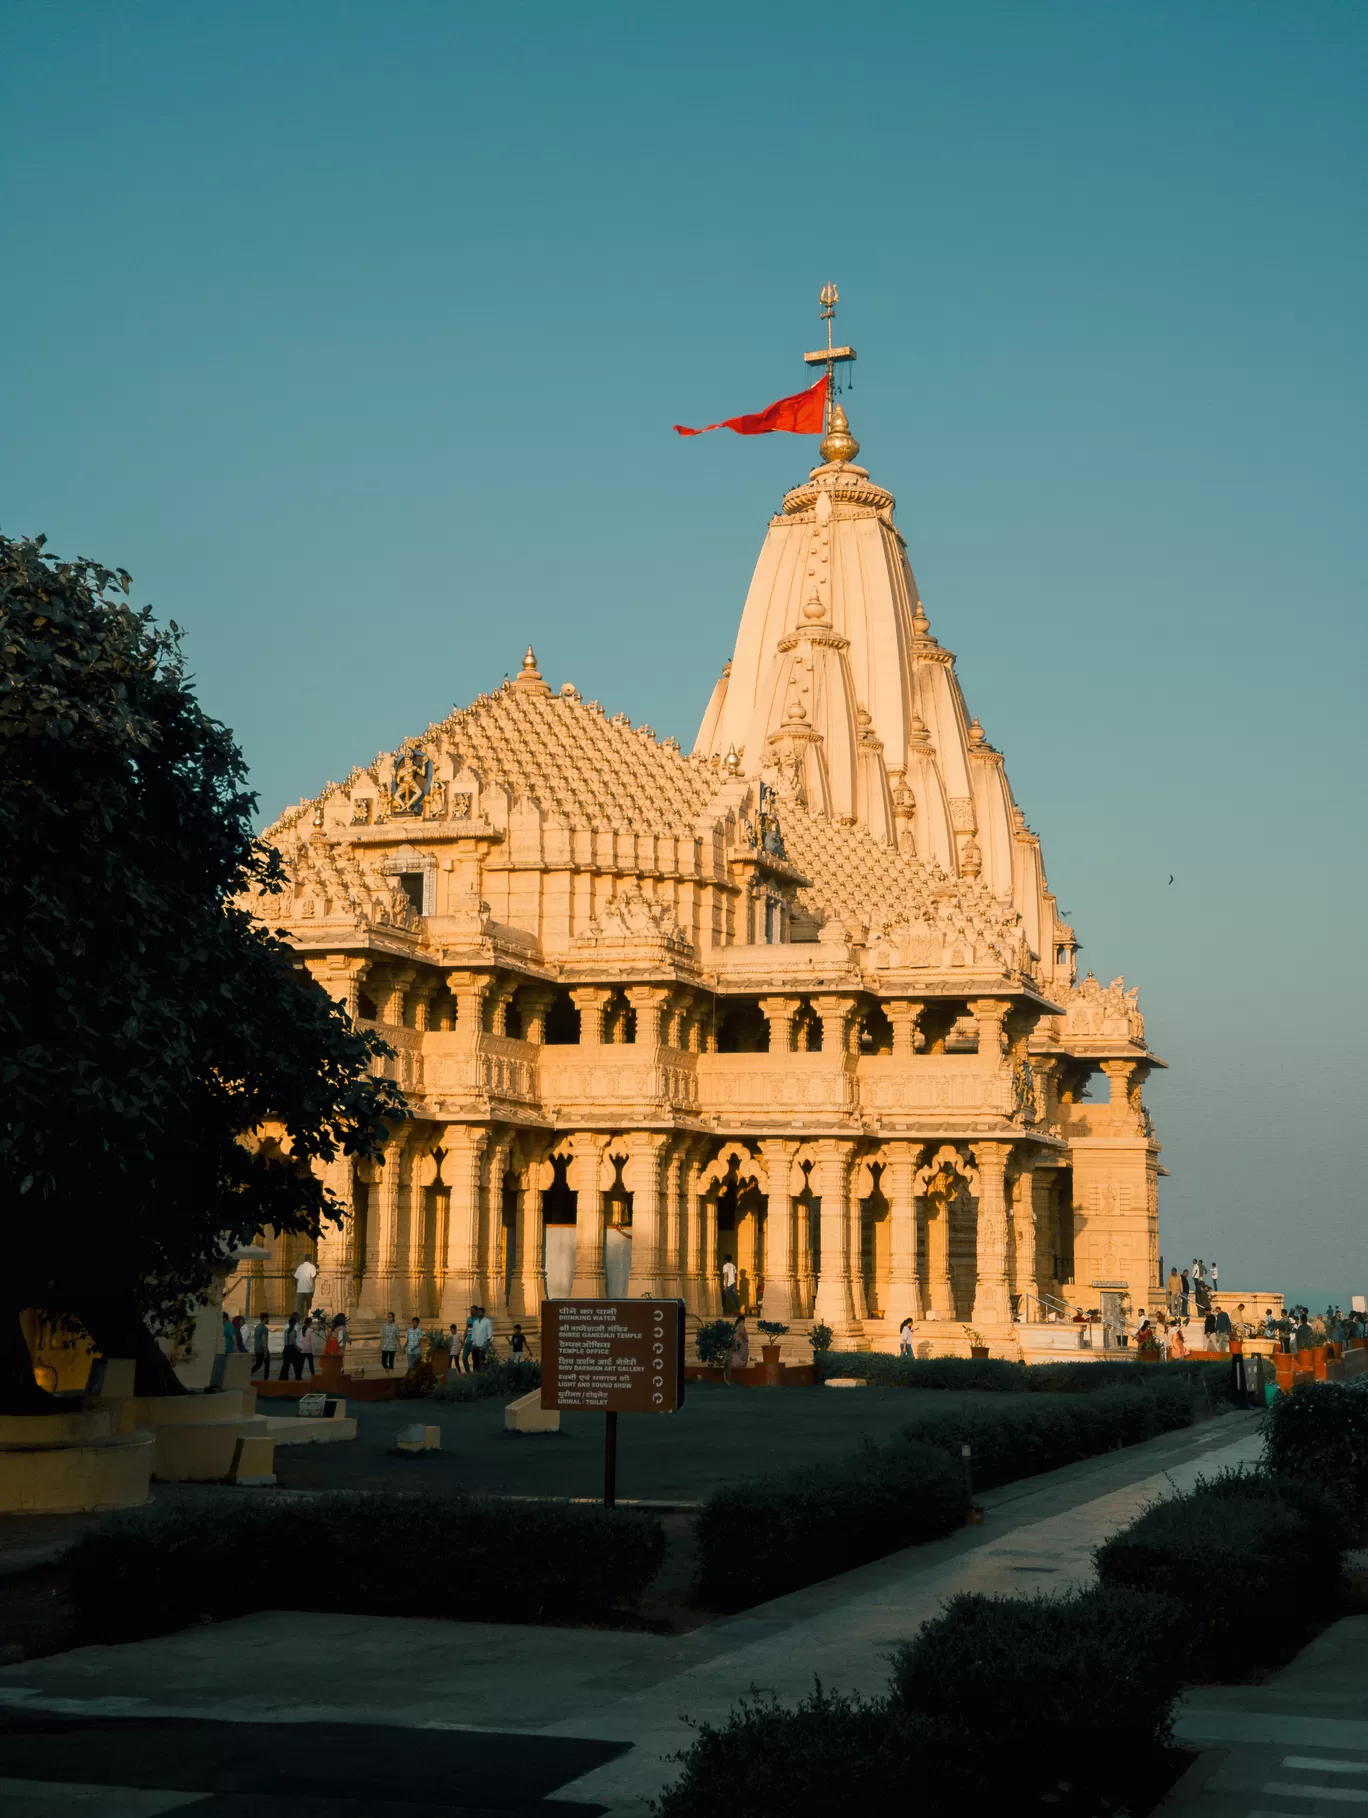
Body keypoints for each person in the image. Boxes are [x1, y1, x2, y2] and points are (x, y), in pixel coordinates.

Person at [725, 1316, 749, 1385]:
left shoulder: (736, 1326)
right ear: (742, 1320)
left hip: (735, 1344)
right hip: (740, 1344)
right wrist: (745, 1338)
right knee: (741, 1357)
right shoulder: (741, 1325)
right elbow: (741, 1333)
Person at [279, 1314, 304, 1379]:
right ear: (294, 1323)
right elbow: (293, 1342)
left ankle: (283, 1379)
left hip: (286, 1349)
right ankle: (298, 1379)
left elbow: (285, 1340)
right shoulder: (293, 1331)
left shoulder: (286, 1331)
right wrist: (298, 1349)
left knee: (286, 1366)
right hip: (292, 1349)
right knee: (297, 1366)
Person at [251, 1314, 271, 1380]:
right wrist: (265, 1351)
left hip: (257, 1348)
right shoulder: (263, 1328)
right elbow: (264, 1339)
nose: (269, 1320)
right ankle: (266, 1379)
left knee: (258, 1364)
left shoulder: (257, 1327)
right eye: (268, 1318)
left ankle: (250, 1372)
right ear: (265, 1318)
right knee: (267, 1365)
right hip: (262, 1349)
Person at [298, 1312, 317, 1377]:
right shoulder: (311, 1330)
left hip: (302, 1350)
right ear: (310, 1323)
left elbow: (299, 1340)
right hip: (309, 1350)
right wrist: (313, 1353)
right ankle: (313, 1376)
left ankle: (299, 1377)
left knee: (301, 1365)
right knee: (311, 1366)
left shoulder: (301, 1330)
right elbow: (312, 1343)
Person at [460, 1307, 478, 1373]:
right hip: (468, 1341)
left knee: (475, 1359)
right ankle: (468, 1372)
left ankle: (476, 1373)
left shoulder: (478, 1320)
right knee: (464, 1358)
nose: (471, 1312)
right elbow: (467, 1329)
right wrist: (463, 1340)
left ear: (476, 1311)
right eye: (471, 1310)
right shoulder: (469, 1319)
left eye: (473, 1310)